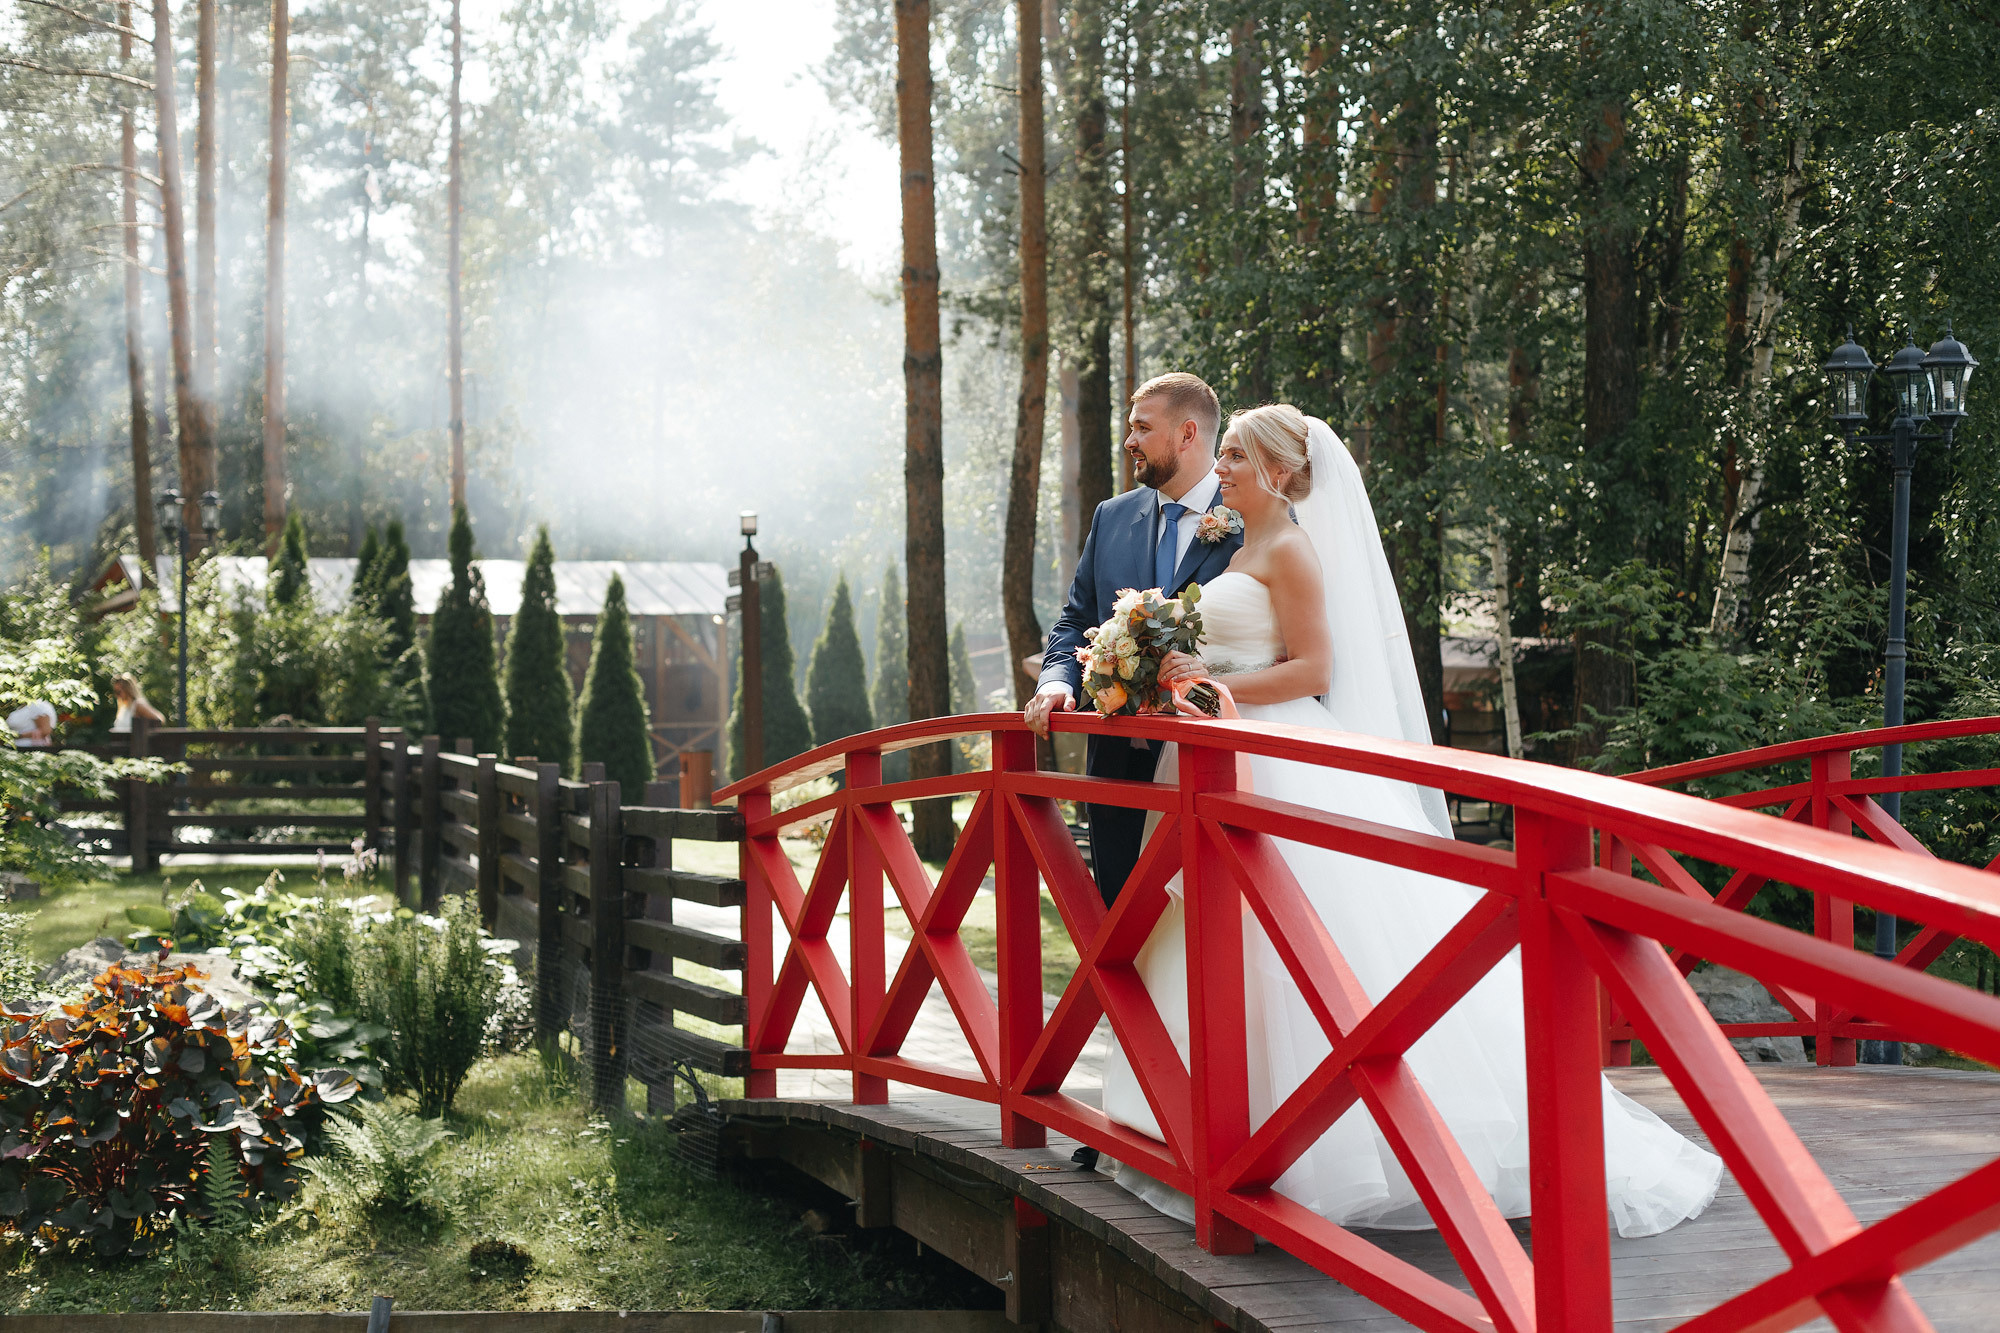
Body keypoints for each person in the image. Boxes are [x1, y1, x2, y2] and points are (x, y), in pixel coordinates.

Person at [1096, 404, 1722, 1238]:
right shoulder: (1239, 547)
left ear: (1280, 472)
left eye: (1241, 455)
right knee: (1222, 946)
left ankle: (1312, 1151)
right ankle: (1204, 1137)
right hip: (1219, 755)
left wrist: (1225, 685)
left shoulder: (1291, 550)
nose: (1228, 467)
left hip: (1277, 760)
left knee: (1308, 947)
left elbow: (1318, 669)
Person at [1027, 372, 1244, 907]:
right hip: (1118, 765)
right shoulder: (1112, 516)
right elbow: (1075, 620)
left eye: (1142, 428)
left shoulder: (1252, 516)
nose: (1129, 442)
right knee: (1119, 925)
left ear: (1187, 434)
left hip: (1217, 767)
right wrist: (1058, 680)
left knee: (1212, 925)